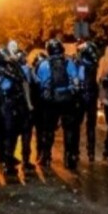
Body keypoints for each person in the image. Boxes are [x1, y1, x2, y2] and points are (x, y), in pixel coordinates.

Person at [36, 38, 81, 169]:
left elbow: (40, 82)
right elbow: (76, 81)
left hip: (50, 101)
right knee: (69, 130)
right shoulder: (69, 63)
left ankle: (46, 157)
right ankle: (68, 158)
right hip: (67, 99)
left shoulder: (43, 64)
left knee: (48, 130)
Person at [0, 45, 33, 173]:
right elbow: (24, 83)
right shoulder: (4, 70)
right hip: (10, 104)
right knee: (10, 133)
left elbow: (23, 83)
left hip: (10, 104)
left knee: (11, 133)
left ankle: (9, 160)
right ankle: (8, 161)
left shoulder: (7, 69)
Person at [75, 42, 100, 162]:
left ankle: (76, 151)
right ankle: (91, 152)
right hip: (92, 97)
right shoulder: (94, 65)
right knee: (91, 126)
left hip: (81, 97)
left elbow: (77, 79)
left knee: (77, 125)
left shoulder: (80, 63)